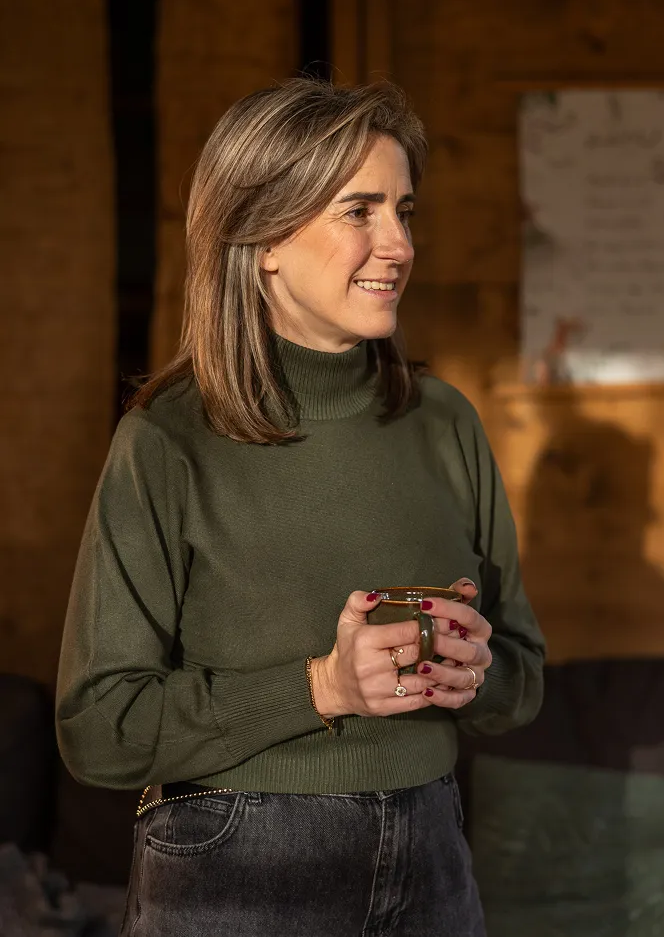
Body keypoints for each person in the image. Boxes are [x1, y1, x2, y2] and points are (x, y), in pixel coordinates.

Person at [55, 78, 546, 937]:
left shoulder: (445, 422)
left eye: (404, 210)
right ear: (263, 236)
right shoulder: (166, 444)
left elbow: (523, 677)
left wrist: (476, 673)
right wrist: (321, 686)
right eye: (359, 211)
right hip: (235, 863)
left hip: (431, 849)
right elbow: (99, 731)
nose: (397, 244)